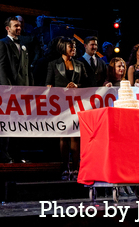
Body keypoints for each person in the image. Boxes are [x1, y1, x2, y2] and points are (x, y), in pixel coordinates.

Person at [46, 37, 88, 180]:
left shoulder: (79, 64)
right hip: (61, 104)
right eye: (71, 46)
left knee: (76, 136)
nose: (74, 49)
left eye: (75, 46)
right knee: (63, 135)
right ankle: (65, 168)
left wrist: (77, 86)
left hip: (76, 103)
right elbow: (48, 84)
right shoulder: (53, 64)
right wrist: (56, 89)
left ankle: (76, 168)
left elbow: (87, 84)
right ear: (63, 47)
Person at [0, 16, 31, 163]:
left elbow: (27, 69)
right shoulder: (1, 43)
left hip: (22, 89)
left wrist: (30, 87)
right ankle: (5, 153)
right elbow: (1, 66)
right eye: (16, 26)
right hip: (8, 90)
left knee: (20, 122)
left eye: (20, 26)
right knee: (7, 121)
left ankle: (17, 153)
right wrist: (6, 88)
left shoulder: (23, 44)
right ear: (7, 28)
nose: (19, 28)